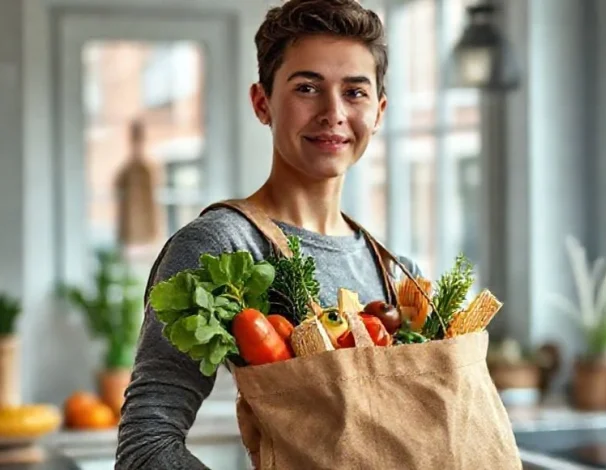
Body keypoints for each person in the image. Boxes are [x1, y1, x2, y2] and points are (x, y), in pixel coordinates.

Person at [114, 1, 421, 468]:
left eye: (355, 92)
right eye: (307, 88)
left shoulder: (398, 275)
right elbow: (145, 446)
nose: (333, 112)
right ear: (262, 103)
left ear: (378, 112)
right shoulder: (221, 247)